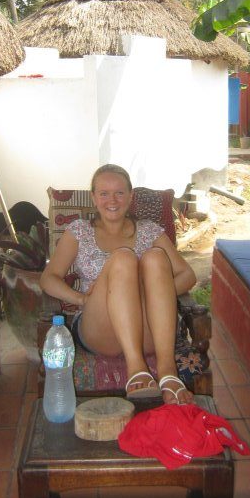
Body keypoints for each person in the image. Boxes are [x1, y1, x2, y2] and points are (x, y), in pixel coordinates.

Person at [40, 164, 197, 404]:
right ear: (93, 197)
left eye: (119, 193)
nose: (112, 200)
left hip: (147, 328)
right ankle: (136, 367)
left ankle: (168, 372)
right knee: (123, 258)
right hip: (99, 327)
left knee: (155, 258)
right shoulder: (79, 231)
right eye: (104, 193)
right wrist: (80, 298)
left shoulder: (149, 231)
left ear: (130, 196)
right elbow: (48, 278)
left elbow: (187, 275)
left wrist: (153, 298)